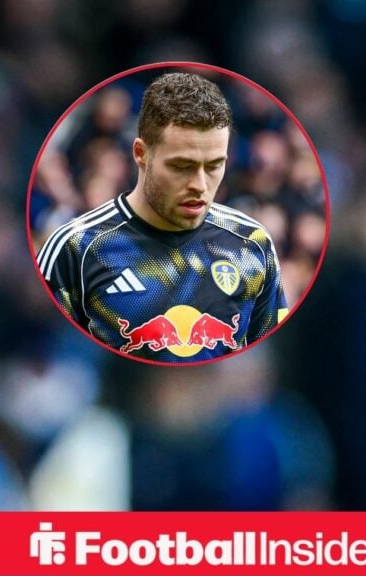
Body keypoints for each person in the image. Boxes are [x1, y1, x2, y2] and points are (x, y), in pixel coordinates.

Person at [35, 71, 288, 363]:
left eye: (213, 165)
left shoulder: (253, 246)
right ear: (142, 155)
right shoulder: (76, 246)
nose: (198, 183)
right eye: (180, 164)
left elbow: (261, 347)